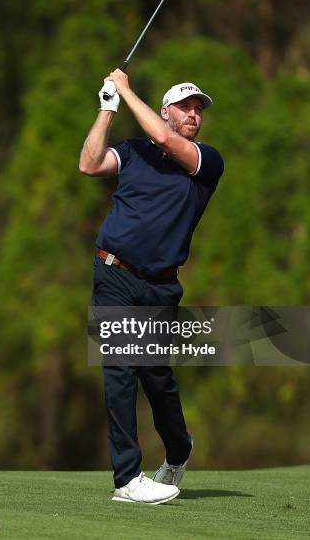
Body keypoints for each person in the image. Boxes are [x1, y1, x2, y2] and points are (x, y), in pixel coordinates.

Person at [79, 69, 224, 504]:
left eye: (199, 109)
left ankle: (179, 450)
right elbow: (89, 163)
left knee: (157, 378)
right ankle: (127, 479)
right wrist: (108, 108)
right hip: (114, 275)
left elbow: (165, 140)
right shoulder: (134, 151)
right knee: (120, 373)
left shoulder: (205, 162)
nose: (194, 114)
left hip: (161, 288)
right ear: (166, 111)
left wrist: (126, 89)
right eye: (186, 107)